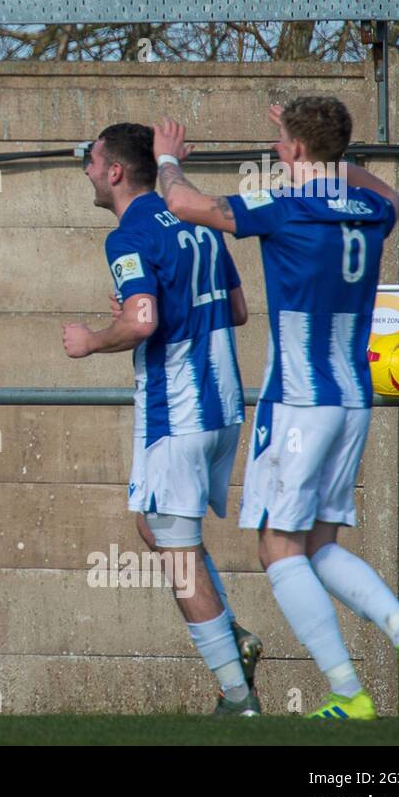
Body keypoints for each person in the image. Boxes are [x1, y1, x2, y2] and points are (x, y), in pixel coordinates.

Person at [152, 98, 399, 719]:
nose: (277, 152)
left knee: (277, 551)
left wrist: (168, 159)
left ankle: (347, 693)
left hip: (300, 404)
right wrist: (331, 152)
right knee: (317, 546)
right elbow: (390, 192)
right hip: (354, 401)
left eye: (283, 143)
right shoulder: (370, 209)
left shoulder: (282, 209)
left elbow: (184, 204)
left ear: (300, 152)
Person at [65, 123, 263, 715]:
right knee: (153, 529)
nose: (88, 170)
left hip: (176, 415)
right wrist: (141, 308)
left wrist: (91, 339)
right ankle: (235, 638)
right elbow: (238, 309)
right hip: (222, 406)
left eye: (92, 160)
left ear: (116, 171)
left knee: (176, 554)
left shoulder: (128, 234)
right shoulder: (197, 224)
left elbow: (144, 322)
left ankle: (237, 696)